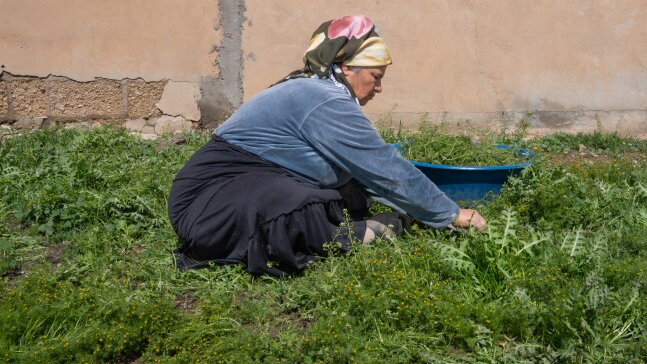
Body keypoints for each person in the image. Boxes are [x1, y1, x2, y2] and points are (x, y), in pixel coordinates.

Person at [167, 15, 487, 277]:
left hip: (245, 187)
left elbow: (364, 170)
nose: (379, 87)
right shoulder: (321, 99)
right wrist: (451, 213)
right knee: (297, 205)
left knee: (341, 193)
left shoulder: (322, 92)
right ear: (348, 68)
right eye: (375, 76)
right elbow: (382, 166)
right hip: (207, 202)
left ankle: (353, 225)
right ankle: (358, 234)